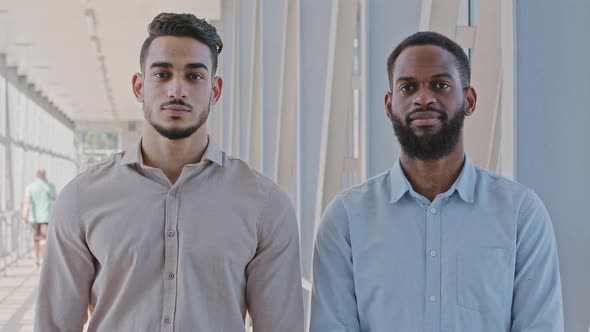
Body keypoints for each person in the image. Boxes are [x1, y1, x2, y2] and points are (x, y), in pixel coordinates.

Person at [35, 13, 304, 331]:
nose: (177, 90)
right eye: (162, 74)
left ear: (215, 90)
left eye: (194, 76)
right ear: (139, 86)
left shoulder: (265, 206)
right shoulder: (81, 200)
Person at [310, 31, 563, 331]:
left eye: (440, 85)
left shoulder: (521, 213)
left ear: (469, 100)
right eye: (408, 87)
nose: (423, 98)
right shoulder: (346, 220)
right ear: (389, 105)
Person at [21, 169, 56, 267]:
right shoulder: (50, 186)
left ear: (36, 175)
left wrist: (24, 216)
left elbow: (27, 202)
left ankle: (36, 260)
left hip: (34, 218)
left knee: (36, 238)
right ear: (45, 175)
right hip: (46, 216)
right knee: (44, 239)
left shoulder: (30, 187)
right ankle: (43, 259)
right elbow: (55, 200)